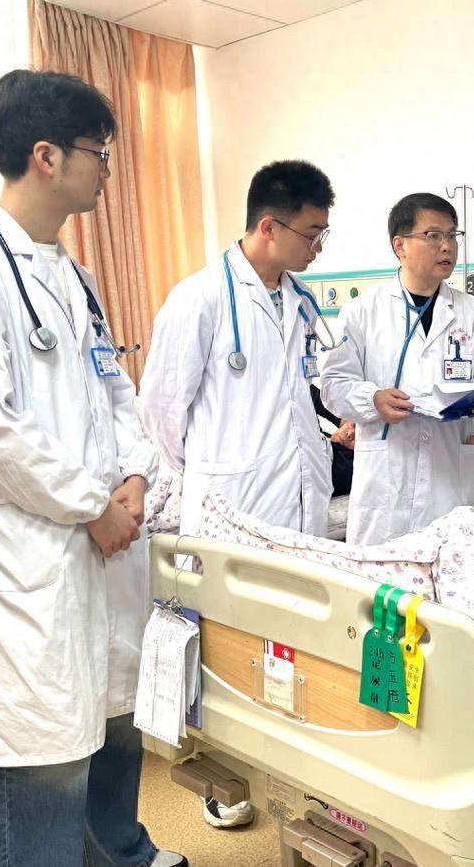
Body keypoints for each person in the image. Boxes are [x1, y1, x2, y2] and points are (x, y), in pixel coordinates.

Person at [0, 69, 185, 866]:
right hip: (23, 562)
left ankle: (115, 854)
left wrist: (135, 477)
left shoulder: (76, 278)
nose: (107, 170)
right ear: (46, 156)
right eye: (99, 152)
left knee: (106, 724)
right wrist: (90, 505)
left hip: (101, 545)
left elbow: (115, 391)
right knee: (34, 758)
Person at [139, 159, 335, 828]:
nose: (318, 246)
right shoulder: (199, 299)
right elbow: (160, 411)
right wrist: (211, 471)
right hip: (232, 503)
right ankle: (223, 783)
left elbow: (306, 393)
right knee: (228, 649)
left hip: (298, 498)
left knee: (290, 642)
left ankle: (293, 773)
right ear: (269, 226)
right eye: (311, 233)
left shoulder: (302, 302)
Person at [321, 193, 474, 545]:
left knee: (450, 566)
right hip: (386, 483)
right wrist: (373, 399)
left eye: (453, 236)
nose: (447, 246)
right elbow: (333, 386)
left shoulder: (472, 312)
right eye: (433, 235)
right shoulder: (363, 311)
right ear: (400, 245)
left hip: (449, 480)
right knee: (381, 573)